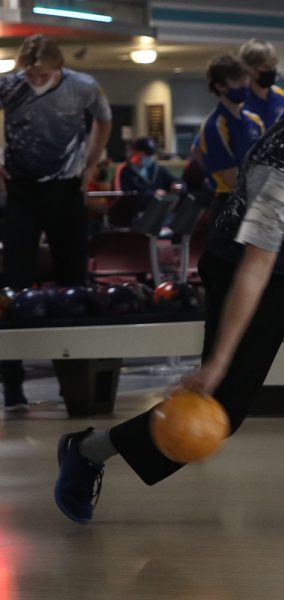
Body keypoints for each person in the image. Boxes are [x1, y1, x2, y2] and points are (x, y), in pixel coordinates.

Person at [53, 35, 284, 530]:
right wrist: (214, 365)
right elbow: (256, 267)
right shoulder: (281, 160)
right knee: (223, 408)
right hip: (246, 266)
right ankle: (88, 451)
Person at [0, 35, 111, 410]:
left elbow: (104, 119)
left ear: (57, 67)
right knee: (13, 284)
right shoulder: (10, 86)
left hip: (65, 190)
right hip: (22, 191)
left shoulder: (81, 86)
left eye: (42, 72)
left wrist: (92, 163)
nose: (35, 77)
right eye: (29, 72)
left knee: (73, 283)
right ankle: (12, 383)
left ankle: (77, 384)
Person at [198, 54, 265, 223]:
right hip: (229, 205)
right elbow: (232, 179)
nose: (244, 84)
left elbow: (271, 162)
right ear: (220, 86)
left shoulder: (254, 121)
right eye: (236, 80)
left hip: (256, 201)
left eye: (245, 79)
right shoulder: (214, 126)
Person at [113, 136, 182, 211]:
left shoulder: (157, 169)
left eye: (151, 154)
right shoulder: (123, 170)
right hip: (134, 215)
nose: (150, 157)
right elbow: (122, 197)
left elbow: (178, 183)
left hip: (157, 213)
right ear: (135, 152)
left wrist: (177, 187)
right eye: (146, 154)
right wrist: (153, 195)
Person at [238, 38, 284, 128]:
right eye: (266, 67)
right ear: (250, 69)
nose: (271, 70)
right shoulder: (240, 102)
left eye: (273, 66)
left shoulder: (283, 97)